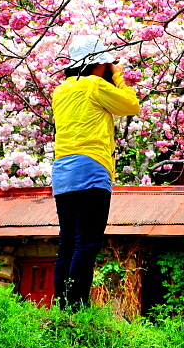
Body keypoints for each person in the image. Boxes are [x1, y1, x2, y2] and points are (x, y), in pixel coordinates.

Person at [51, 35, 140, 310]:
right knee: (86, 243)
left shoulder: (61, 90)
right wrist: (119, 76)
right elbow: (131, 105)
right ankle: (77, 307)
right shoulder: (93, 84)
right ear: (98, 64)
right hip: (91, 167)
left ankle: (64, 307)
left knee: (68, 242)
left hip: (62, 172)